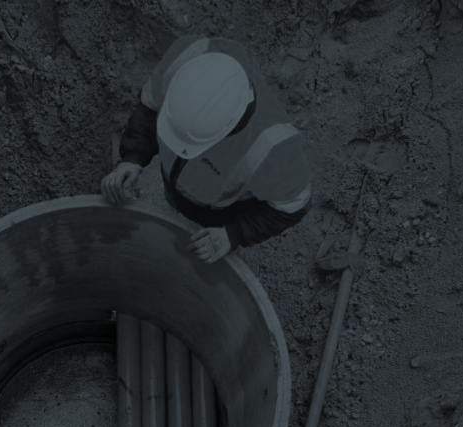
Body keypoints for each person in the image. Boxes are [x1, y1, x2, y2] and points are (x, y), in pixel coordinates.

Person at [101, 35, 313, 263]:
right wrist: (133, 156)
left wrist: (232, 235)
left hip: (216, 216)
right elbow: (150, 105)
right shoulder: (189, 54)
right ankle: (175, 203)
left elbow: (294, 205)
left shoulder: (276, 150)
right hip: (174, 186)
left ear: (225, 132)